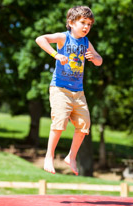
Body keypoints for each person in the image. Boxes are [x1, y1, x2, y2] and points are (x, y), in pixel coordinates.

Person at [35, 6, 102, 175]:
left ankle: (71, 156)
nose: (86, 27)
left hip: (78, 92)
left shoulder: (86, 43)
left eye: (89, 24)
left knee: (84, 124)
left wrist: (94, 58)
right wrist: (55, 55)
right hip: (60, 89)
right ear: (71, 23)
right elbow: (40, 39)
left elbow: (100, 60)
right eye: (83, 23)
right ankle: (49, 156)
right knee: (60, 121)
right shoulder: (63, 37)